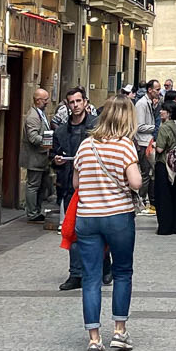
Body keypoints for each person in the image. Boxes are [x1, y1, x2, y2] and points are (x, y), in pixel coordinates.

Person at [71, 95, 143, 351]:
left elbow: (76, 184)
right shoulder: (125, 146)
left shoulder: (85, 145)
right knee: (122, 272)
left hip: (87, 217)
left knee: (91, 277)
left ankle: (93, 339)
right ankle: (119, 332)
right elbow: (135, 183)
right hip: (118, 217)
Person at [54, 88, 99, 293]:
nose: (75, 105)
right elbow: (53, 154)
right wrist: (56, 160)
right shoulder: (62, 131)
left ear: (85, 102)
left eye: (78, 101)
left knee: (97, 230)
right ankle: (76, 273)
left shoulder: (96, 127)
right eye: (71, 102)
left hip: (94, 185)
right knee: (73, 230)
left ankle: (104, 265)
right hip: (70, 186)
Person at [20, 86, 57, 224]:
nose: (48, 102)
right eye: (46, 99)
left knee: (42, 185)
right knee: (33, 185)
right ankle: (32, 212)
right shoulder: (33, 117)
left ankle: (37, 209)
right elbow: (33, 138)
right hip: (35, 158)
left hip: (42, 158)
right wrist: (50, 141)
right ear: (38, 100)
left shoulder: (41, 113)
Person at [152, 95, 176, 236]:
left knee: (163, 196)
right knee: (174, 195)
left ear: (169, 113)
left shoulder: (164, 127)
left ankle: (164, 227)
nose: (161, 112)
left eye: (163, 110)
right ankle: (174, 225)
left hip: (164, 164)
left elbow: (160, 148)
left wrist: (154, 144)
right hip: (175, 165)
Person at [133, 78, 162, 212]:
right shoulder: (142, 104)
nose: (159, 92)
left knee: (150, 173)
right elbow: (139, 126)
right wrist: (155, 127)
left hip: (148, 141)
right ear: (150, 90)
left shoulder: (150, 103)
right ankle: (141, 199)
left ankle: (149, 199)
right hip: (143, 142)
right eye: (157, 89)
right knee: (145, 173)